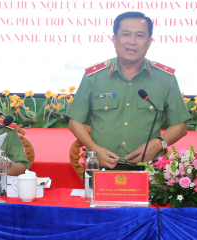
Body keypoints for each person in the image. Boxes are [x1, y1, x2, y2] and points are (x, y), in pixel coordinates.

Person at [66, 11, 190, 169]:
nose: (132, 42)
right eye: (126, 34)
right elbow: (75, 122)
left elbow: (181, 125)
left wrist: (159, 143)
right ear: (114, 39)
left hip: (149, 169)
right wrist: (95, 150)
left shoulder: (165, 78)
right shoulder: (94, 76)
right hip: (102, 168)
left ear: (149, 42)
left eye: (140, 36)